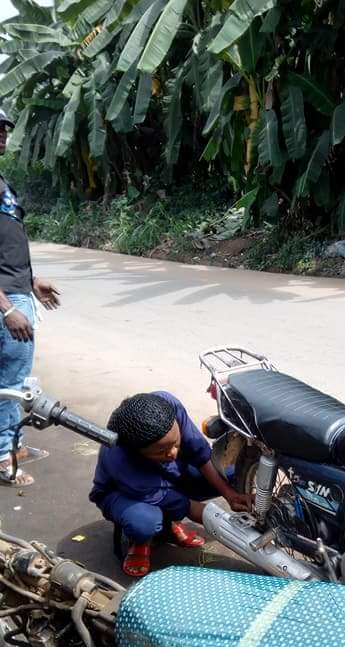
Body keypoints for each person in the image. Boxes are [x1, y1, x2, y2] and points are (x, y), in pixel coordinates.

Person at [90, 390, 251, 577]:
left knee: (230, 474)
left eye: (175, 443)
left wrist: (230, 495)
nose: (173, 453)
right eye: (161, 451)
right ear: (138, 451)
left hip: (167, 478)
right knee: (144, 522)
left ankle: (168, 522)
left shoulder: (167, 406)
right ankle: (141, 541)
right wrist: (232, 530)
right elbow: (186, 505)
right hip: (122, 493)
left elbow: (200, 454)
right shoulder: (120, 458)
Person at [0, 107, 60, 486]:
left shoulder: (3, 182)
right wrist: (7, 309)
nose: (2, 135)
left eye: (4, 128)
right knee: (11, 382)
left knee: (10, 380)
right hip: (7, 302)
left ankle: (11, 445)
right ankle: (4, 457)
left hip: (17, 290)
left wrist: (32, 280)